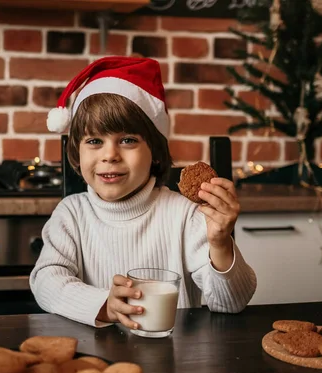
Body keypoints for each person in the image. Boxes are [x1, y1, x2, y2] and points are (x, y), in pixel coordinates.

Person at [30, 56, 256, 328]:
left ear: (155, 153)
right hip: (94, 361)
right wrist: (104, 304)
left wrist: (221, 244)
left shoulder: (185, 215)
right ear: (77, 152)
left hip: (176, 359)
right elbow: (46, 282)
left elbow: (232, 303)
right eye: (94, 141)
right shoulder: (71, 214)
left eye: (127, 140)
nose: (109, 155)